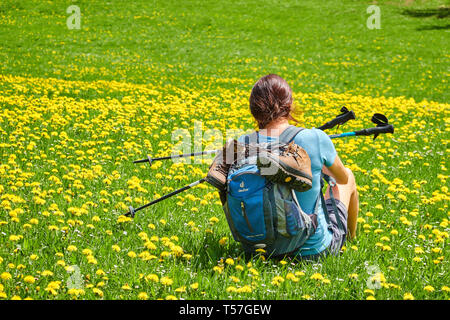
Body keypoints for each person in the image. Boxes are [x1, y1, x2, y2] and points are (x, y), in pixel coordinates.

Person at [242, 74, 360, 258]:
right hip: (312, 251)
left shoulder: (242, 143)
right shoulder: (314, 138)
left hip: (259, 250)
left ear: (254, 110)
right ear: (289, 106)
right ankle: (349, 238)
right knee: (349, 177)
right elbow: (342, 179)